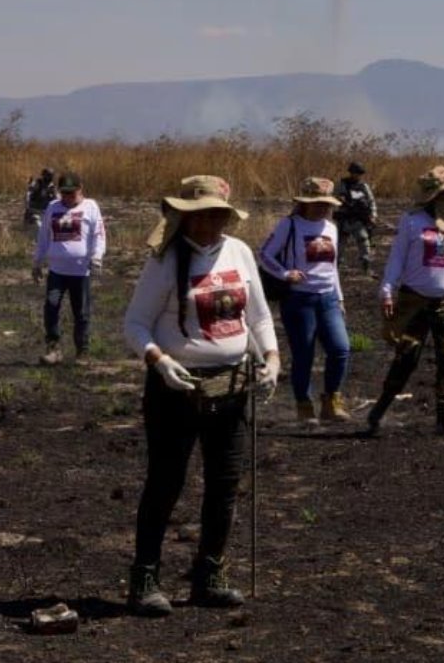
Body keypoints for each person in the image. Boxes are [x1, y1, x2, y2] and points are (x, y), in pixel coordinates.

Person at [122, 175, 280, 617]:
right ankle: (145, 578)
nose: (211, 223)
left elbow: (259, 316)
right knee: (165, 482)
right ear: (185, 216)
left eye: (218, 215)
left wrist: (271, 358)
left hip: (232, 387)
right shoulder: (164, 260)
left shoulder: (240, 253)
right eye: (202, 215)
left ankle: (209, 575)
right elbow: (134, 323)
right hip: (176, 390)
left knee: (225, 485)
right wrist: (158, 360)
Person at [368, 165, 444, 440]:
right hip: (413, 300)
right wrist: (387, 290)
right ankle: (377, 413)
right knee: (406, 358)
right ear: (433, 197)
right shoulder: (412, 221)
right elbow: (396, 258)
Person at [259, 177, 351, 427]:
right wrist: (285, 274)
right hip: (299, 299)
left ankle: (332, 401)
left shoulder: (331, 228)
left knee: (340, 349)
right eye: (318, 203)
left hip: (328, 297)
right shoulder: (289, 225)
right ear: (306, 203)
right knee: (304, 355)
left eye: (326, 204)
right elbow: (265, 254)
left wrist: (339, 297)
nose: (323, 208)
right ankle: (304, 405)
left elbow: (333, 267)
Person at [31, 172, 105, 364]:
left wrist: (97, 258)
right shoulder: (52, 208)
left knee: (81, 312)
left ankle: (83, 351)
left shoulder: (91, 207)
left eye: (72, 193)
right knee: (51, 307)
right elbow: (44, 236)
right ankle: (53, 349)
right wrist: (37, 262)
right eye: (64, 193)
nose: (68, 198)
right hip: (57, 272)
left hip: (81, 273)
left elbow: (99, 235)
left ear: (81, 190)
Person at [335, 161, 378, 274]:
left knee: (364, 242)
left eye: (359, 173)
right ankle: (336, 267)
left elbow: (371, 201)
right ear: (351, 172)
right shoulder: (342, 184)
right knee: (340, 245)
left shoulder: (364, 186)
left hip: (358, 220)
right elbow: (336, 198)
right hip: (345, 219)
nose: (357, 175)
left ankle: (366, 267)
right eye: (355, 172)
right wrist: (341, 203)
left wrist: (373, 215)